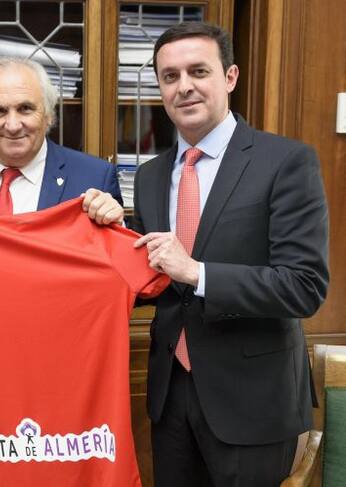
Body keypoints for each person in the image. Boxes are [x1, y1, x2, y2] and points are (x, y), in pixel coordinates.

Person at [132, 22, 329, 486]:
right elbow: (147, 279)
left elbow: (304, 287)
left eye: (198, 71)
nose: (184, 86)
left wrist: (196, 272)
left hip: (254, 402)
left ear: (230, 77)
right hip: (169, 398)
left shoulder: (285, 162)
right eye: (170, 76)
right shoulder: (149, 175)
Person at [0, 56, 124, 223]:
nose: (13, 125)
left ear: (48, 114)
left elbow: (115, 250)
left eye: (25, 109)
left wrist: (114, 222)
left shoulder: (95, 178)